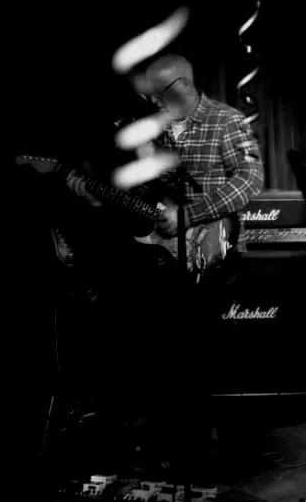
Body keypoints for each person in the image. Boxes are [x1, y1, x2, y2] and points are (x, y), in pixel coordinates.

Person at [65, 53, 264, 476]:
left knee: (208, 354)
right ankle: (179, 450)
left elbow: (250, 181)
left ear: (181, 86)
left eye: (158, 95)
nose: (152, 103)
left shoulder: (225, 121)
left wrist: (192, 216)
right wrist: (99, 195)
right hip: (161, 259)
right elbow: (150, 201)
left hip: (213, 253)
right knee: (166, 354)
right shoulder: (151, 133)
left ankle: (220, 452)